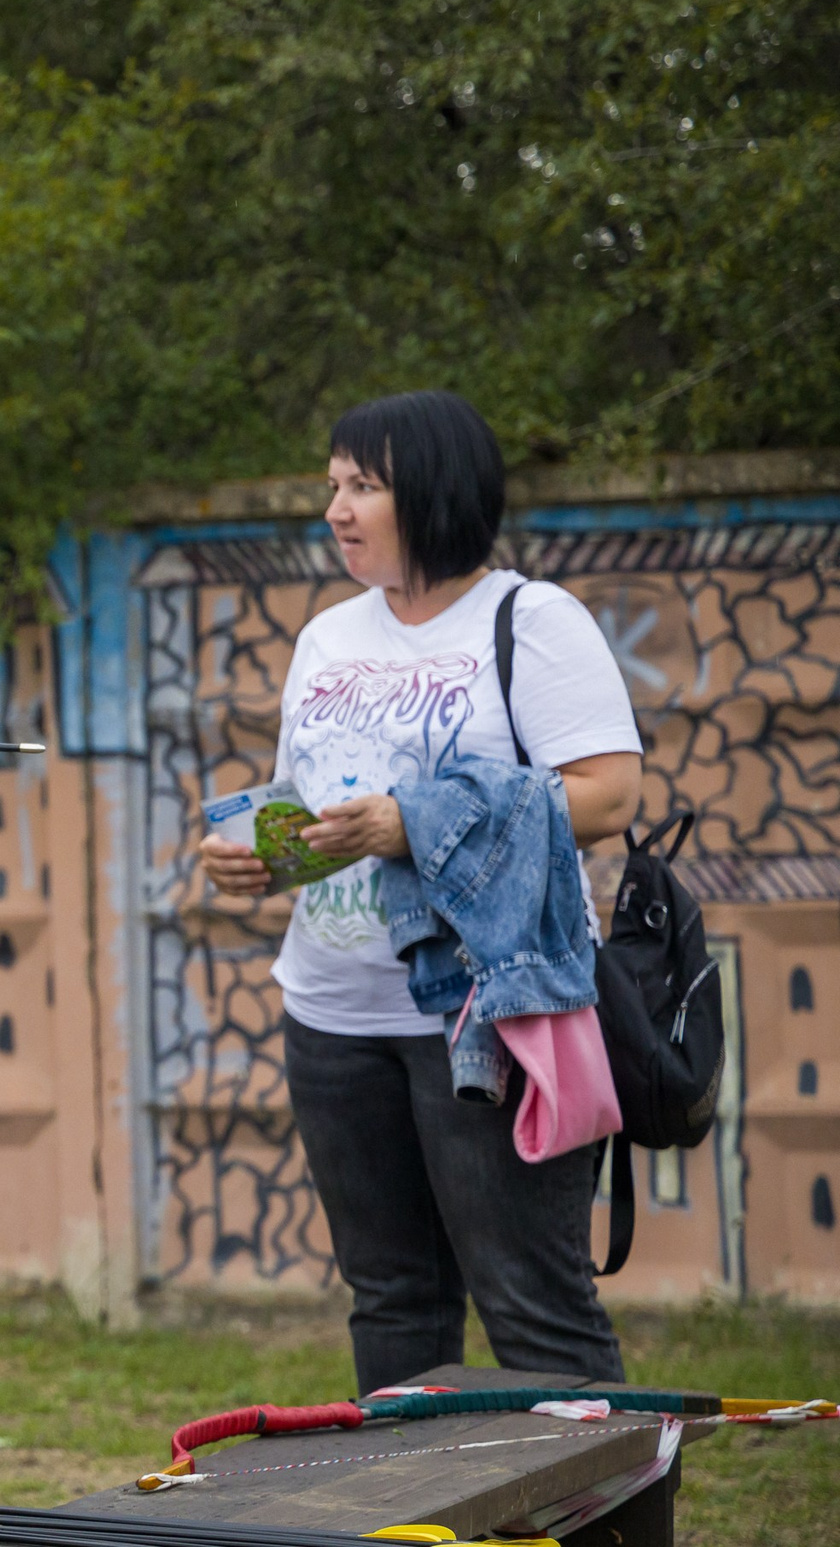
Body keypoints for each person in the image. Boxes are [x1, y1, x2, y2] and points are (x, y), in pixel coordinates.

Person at [197, 390, 644, 1393]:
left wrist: (416, 821)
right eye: (333, 487)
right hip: (330, 1017)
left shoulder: (531, 622)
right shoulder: (327, 638)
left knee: (534, 1306)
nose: (336, 510)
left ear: (433, 492)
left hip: (487, 1016)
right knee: (392, 1299)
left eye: (364, 486)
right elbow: (320, 809)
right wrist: (266, 856)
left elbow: (609, 793)